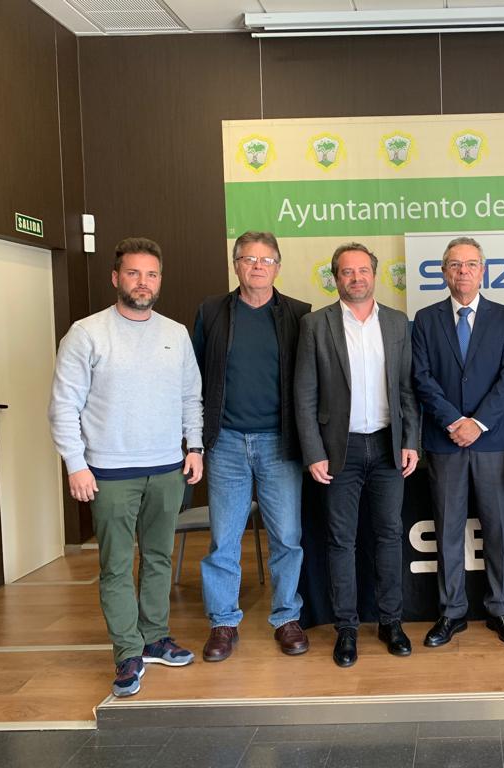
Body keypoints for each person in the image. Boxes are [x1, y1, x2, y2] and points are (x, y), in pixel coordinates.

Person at [49, 237, 203, 698]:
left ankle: (154, 637)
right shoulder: (87, 333)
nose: (143, 282)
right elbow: (63, 406)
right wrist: (75, 464)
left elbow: (189, 397)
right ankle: (127, 653)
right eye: (133, 273)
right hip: (109, 472)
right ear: (116, 278)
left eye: (151, 274)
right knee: (116, 566)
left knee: (157, 558)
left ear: (160, 280)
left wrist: (194, 447)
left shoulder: (175, 334)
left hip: (168, 468)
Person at [294, 243, 419, 668]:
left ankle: (391, 622)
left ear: (374, 274)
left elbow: (407, 391)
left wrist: (411, 440)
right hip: (337, 450)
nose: (356, 278)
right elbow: (304, 394)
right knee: (341, 541)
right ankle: (346, 627)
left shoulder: (399, 323)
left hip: (387, 445)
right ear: (335, 278)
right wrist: (313, 450)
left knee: (388, 536)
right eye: (347, 272)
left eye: (363, 270)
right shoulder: (316, 325)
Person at [192, 231, 311, 662]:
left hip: (280, 443)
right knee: (224, 538)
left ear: (278, 266)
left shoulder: (299, 314)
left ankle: (286, 618)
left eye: (266, 259)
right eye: (248, 258)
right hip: (225, 443)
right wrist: (195, 440)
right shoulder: (211, 312)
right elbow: (196, 379)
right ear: (235, 264)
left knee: (288, 537)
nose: (257, 266)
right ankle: (223, 622)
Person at [411, 236, 504, 647]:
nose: (463, 272)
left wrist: (477, 423)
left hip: (490, 443)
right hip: (445, 443)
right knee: (449, 531)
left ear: (483, 271)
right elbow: (421, 378)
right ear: (444, 272)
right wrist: (454, 421)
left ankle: (500, 608)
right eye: (455, 265)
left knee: (496, 529)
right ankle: (451, 612)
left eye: (471, 264)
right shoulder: (425, 319)